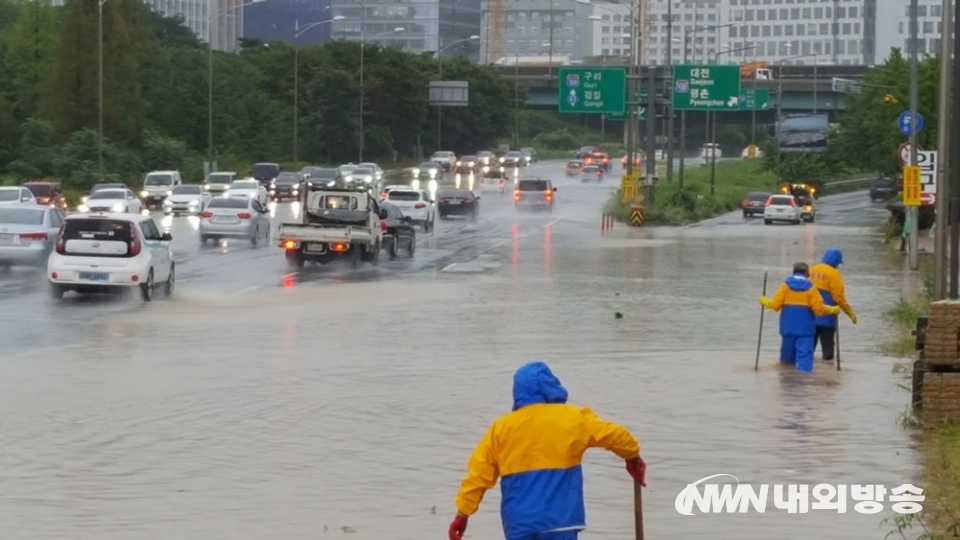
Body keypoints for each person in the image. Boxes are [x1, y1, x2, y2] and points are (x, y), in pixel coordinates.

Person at [448, 361, 645, 540]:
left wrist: (462, 514)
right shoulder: (573, 419)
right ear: (551, 385)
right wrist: (632, 456)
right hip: (561, 523)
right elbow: (618, 436)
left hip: (519, 525)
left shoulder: (501, 429)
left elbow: (478, 476)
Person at [760, 263, 841, 373]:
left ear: (793, 272)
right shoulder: (811, 288)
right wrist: (832, 309)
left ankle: (785, 387)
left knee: (786, 364)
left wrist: (764, 300)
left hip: (787, 330)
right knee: (804, 364)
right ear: (807, 273)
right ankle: (803, 387)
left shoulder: (785, 286)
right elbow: (819, 310)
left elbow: (775, 305)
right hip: (805, 331)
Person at [809, 248, 857, 362]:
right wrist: (850, 312)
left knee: (807, 352)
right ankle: (828, 376)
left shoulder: (811, 270)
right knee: (828, 355)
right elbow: (838, 298)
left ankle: (804, 375)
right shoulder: (833, 274)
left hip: (809, 317)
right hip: (827, 319)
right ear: (836, 261)